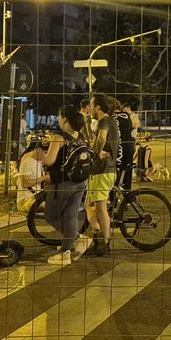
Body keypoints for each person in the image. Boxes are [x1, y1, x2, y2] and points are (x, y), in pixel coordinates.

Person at [42, 105, 93, 265]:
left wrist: (41, 154)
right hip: (79, 182)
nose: (58, 119)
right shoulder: (80, 136)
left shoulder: (59, 137)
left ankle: (75, 241)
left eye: (59, 117)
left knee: (51, 216)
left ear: (65, 119)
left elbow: (49, 161)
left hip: (62, 183)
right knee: (70, 216)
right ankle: (68, 247)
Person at [86, 94, 117, 255]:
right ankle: (99, 234)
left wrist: (96, 152)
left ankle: (104, 242)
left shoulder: (104, 121)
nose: (90, 108)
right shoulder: (110, 121)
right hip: (107, 170)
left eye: (91, 105)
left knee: (100, 206)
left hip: (103, 170)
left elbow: (102, 137)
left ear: (98, 107)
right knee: (89, 204)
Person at [16, 142, 50, 213]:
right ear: (39, 150)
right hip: (26, 200)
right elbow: (25, 183)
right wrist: (44, 178)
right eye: (46, 152)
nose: (46, 156)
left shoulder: (39, 163)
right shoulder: (27, 162)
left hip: (37, 197)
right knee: (48, 207)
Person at [113, 99, 137, 194]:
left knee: (115, 172)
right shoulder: (126, 116)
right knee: (127, 174)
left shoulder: (112, 117)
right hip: (129, 146)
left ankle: (113, 197)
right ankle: (127, 196)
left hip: (119, 147)